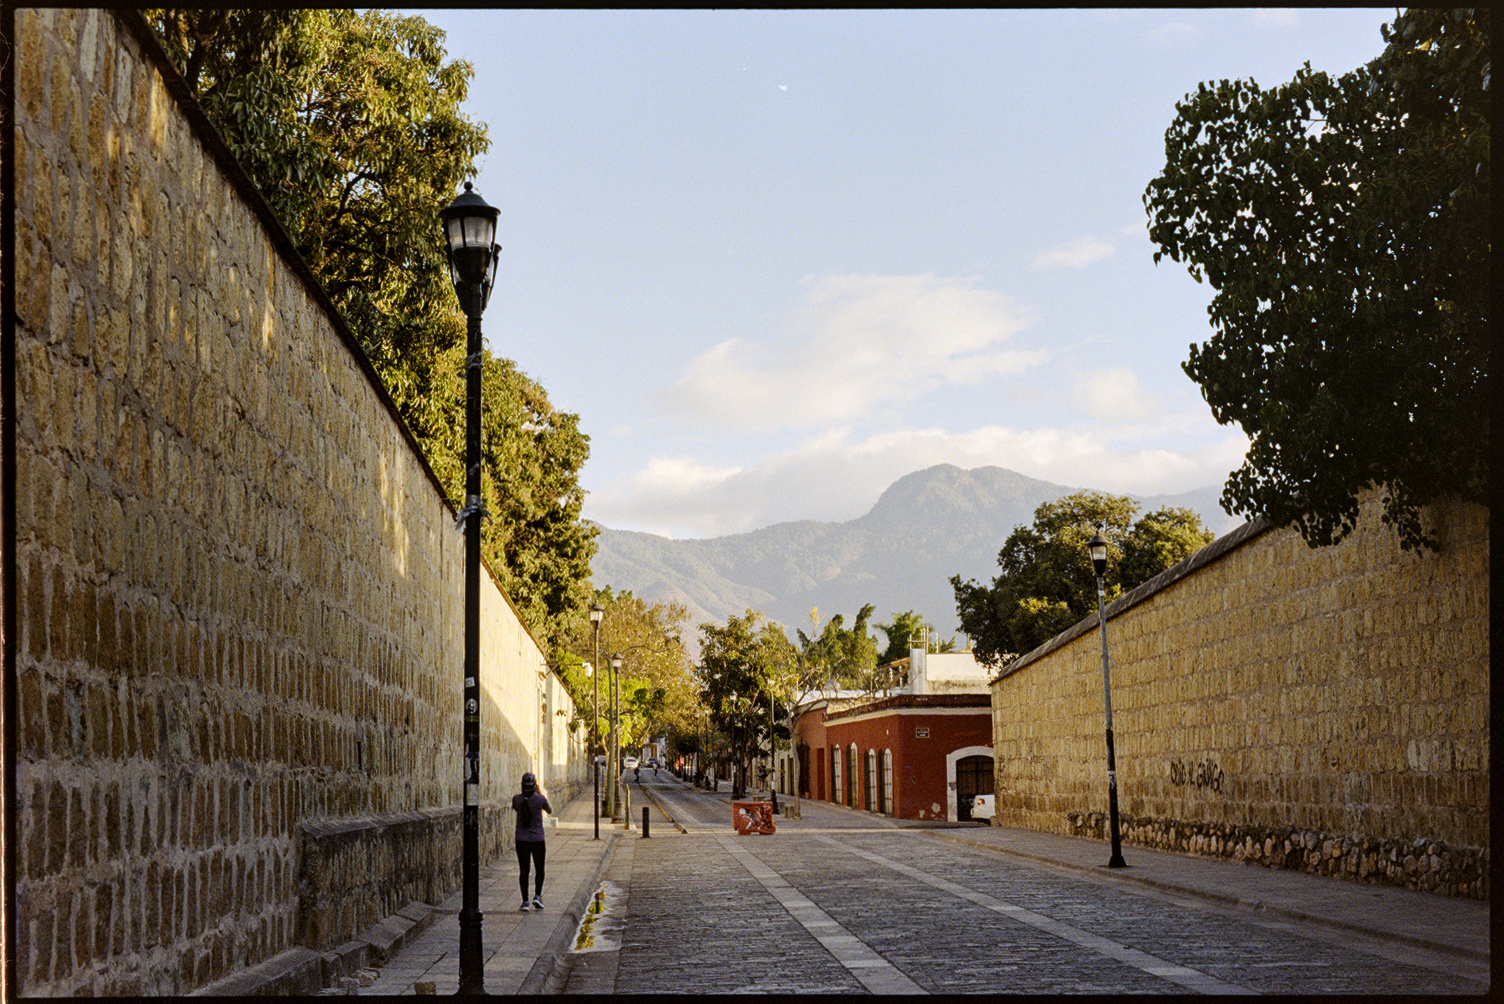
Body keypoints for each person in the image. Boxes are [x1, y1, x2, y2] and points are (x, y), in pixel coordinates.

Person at [512, 772, 551, 912]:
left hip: (521, 840)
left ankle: (525, 901)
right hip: (538, 839)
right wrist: (538, 792)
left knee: (524, 870)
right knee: (539, 869)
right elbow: (549, 810)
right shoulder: (540, 799)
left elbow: (517, 807)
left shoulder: (516, 799)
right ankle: (537, 896)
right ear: (534, 785)